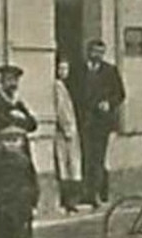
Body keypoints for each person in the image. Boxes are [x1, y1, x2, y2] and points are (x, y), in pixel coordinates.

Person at [0, 65, 41, 238]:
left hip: (22, 153)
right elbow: (0, 123)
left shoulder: (18, 102)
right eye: (9, 80)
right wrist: (18, 119)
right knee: (5, 201)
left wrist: (19, 116)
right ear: (2, 81)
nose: (13, 84)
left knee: (26, 195)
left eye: (15, 80)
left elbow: (33, 124)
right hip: (3, 155)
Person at [71, 38, 125, 206]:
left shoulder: (110, 71)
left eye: (101, 53)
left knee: (98, 157)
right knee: (85, 156)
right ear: (88, 52)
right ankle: (85, 192)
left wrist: (109, 103)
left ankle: (96, 193)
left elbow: (120, 93)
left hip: (101, 121)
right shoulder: (78, 70)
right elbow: (72, 91)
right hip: (83, 120)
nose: (98, 55)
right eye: (95, 52)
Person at [51, 60, 81, 213]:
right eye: (61, 68)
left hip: (70, 130)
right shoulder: (58, 86)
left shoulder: (66, 86)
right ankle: (68, 200)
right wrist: (67, 129)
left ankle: (71, 200)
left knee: (71, 165)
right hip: (65, 132)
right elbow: (61, 109)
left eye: (66, 68)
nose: (64, 72)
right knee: (67, 165)